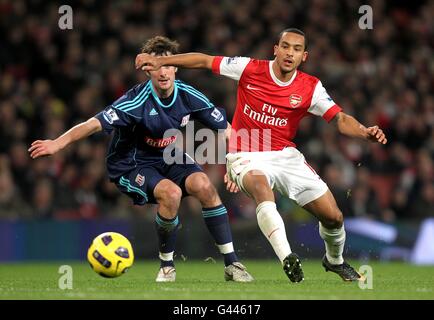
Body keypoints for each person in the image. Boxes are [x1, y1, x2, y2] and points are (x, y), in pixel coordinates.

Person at [135, 29, 388, 282]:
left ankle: (335, 261)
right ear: (275, 49)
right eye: (285, 46)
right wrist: (162, 61)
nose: (290, 53)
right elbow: (204, 60)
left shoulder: (310, 87)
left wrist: (365, 131)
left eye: (296, 49)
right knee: (261, 186)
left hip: (285, 156)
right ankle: (288, 258)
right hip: (244, 153)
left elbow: (340, 119)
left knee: (333, 217)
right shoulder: (249, 68)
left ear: (304, 56)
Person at [29, 36, 253, 283]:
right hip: (131, 164)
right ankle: (167, 266)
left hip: (167, 155)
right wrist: (57, 143)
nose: (164, 71)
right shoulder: (135, 101)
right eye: (157, 66)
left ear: (176, 66)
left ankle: (232, 264)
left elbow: (227, 130)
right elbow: (94, 124)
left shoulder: (189, 96)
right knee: (171, 194)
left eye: (168, 65)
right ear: (148, 70)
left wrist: (237, 165)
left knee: (205, 186)